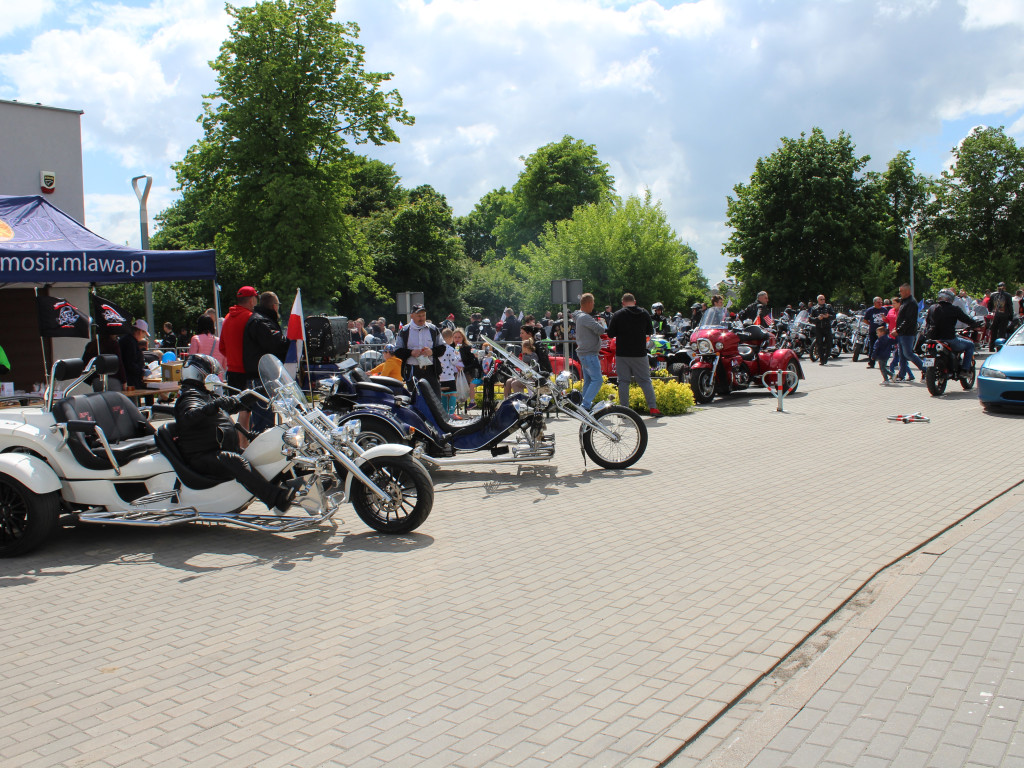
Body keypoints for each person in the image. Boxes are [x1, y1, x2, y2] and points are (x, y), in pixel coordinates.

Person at [174, 354, 295, 513]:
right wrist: (212, 406)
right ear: (200, 374)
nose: (217, 379)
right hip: (201, 455)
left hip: (216, 448)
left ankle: (295, 482)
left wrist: (260, 391)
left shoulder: (205, 394)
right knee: (235, 461)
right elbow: (188, 417)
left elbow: (234, 403)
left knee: (264, 448)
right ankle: (277, 499)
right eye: (213, 375)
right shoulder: (190, 395)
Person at [243, 292, 290, 433]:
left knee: (264, 419)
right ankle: (261, 451)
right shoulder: (261, 322)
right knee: (264, 423)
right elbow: (274, 344)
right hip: (260, 377)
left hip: (261, 375)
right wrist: (290, 340)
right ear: (274, 306)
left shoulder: (260, 320)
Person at [607, 293, 660, 415]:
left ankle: (625, 411)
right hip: (640, 353)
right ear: (634, 302)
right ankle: (653, 408)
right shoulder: (644, 313)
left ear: (622, 303)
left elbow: (610, 334)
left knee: (623, 382)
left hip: (622, 354)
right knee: (645, 381)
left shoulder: (618, 314)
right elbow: (649, 331)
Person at [395, 304, 446, 397]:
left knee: (435, 399)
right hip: (413, 369)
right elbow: (397, 351)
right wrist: (411, 352)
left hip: (430, 369)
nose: (421, 318)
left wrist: (432, 351)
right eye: (419, 316)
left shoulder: (433, 329)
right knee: (415, 399)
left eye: (423, 315)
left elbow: (442, 347)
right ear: (412, 316)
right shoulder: (404, 331)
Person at [926, 289, 981, 372]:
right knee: (970, 345)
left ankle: (925, 372)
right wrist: (975, 325)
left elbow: (928, 321)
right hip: (949, 339)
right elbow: (966, 319)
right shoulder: (954, 309)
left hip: (934, 339)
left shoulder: (932, 308)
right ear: (950, 299)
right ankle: (965, 369)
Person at [573, 293, 605, 411]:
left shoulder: (579, 317)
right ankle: (585, 405)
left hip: (584, 353)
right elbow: (600, 330)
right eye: (593, 303)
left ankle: (582, 404)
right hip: (589, 353)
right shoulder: (585, 317)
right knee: (597, 380)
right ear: (589, 303)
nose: (594, 305)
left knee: (589, 380)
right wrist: (602, 323)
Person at [895, 283, 926, 381]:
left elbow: (908, 320)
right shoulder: (904, 302)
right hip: (901, 333)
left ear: (908, 291)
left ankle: (925, 369)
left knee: (908, 353)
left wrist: (898, 329)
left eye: (901, 291)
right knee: (902, 355)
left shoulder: (911, 303)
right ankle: (901, 375)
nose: (900, 293)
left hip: (907, 333)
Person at [119, 319, 149, 388]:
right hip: (130, 380)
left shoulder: (128, 340)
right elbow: (130, 363)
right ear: (140, 331)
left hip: (129, 378)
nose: (144, 336)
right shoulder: (130, 342)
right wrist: (142, 372)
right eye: (144, 334)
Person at [863, 297, 889, 368]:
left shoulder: (884, 310)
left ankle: (884, 363)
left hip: (883, 332)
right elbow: (865, 320)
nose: (880, 304)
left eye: (881, 302)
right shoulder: (870, 310)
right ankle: (871, 363)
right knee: (873, 347)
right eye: (878, 302)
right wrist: (871, 324)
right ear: (874, 303)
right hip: (873, 331)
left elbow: (887, 319)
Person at [808, 295, 833, 366]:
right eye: (821, 299)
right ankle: (822, 360)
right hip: (819, 328)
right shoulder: (814, 308)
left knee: (829, 343)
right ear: (818, 300)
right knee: (819, 344)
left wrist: (828, 316)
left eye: (824, 299)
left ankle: (826, 357)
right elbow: (810, 319)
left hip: (827, 327)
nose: (823, 300)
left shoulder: (828, 307)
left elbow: (834, 316)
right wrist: (817, 318)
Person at [988, 281, 1013, 351]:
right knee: (1001, 332)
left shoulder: (993, 295)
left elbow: (989, 305)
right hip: (1004, 316)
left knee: (993, 332)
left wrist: (992, 311)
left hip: (995, 315)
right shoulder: (1008, 295)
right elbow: (1010, 306)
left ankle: (991, 346)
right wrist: (1011, 316)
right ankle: (999, 347)